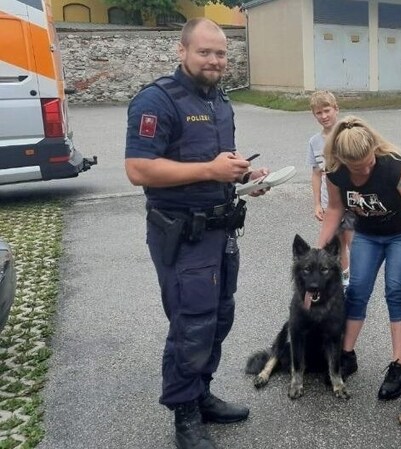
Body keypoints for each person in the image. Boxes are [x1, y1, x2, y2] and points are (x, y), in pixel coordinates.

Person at [124, 18, 269, 449]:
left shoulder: (220, 101)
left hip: (221, 231)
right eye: (205, 52)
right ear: (181, 51)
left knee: (218, 318)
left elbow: (215, 165)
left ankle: (201, 394)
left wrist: (243, 177)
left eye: (221, 53)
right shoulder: (156, 101)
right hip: (182, 235)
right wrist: (211, 169)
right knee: (191, 324)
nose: (214, 60)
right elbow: (138, 169)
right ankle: (184, 416)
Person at [316, 116, 401, 401]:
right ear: (341, 158)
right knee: (357, 288)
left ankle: (399, 365)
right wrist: (320, 248)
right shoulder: (336, 172)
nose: (364, 169)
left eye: (368, 162)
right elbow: (335, 209)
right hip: (367, 233)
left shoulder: (394, 167)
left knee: (396, 289)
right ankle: (347, 354)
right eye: (357, 167)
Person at [306, 91, 355, 287]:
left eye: (327, 111)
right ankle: (344, 280)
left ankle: (359, 279)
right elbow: (316, 173)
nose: (324, 116)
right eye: (319, 113)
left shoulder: (348, 135)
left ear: (336, 109)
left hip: (351, 201)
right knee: (335, 246)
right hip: (329, 203)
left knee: (355, 243)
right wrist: (317, 203)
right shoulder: (314, 142)